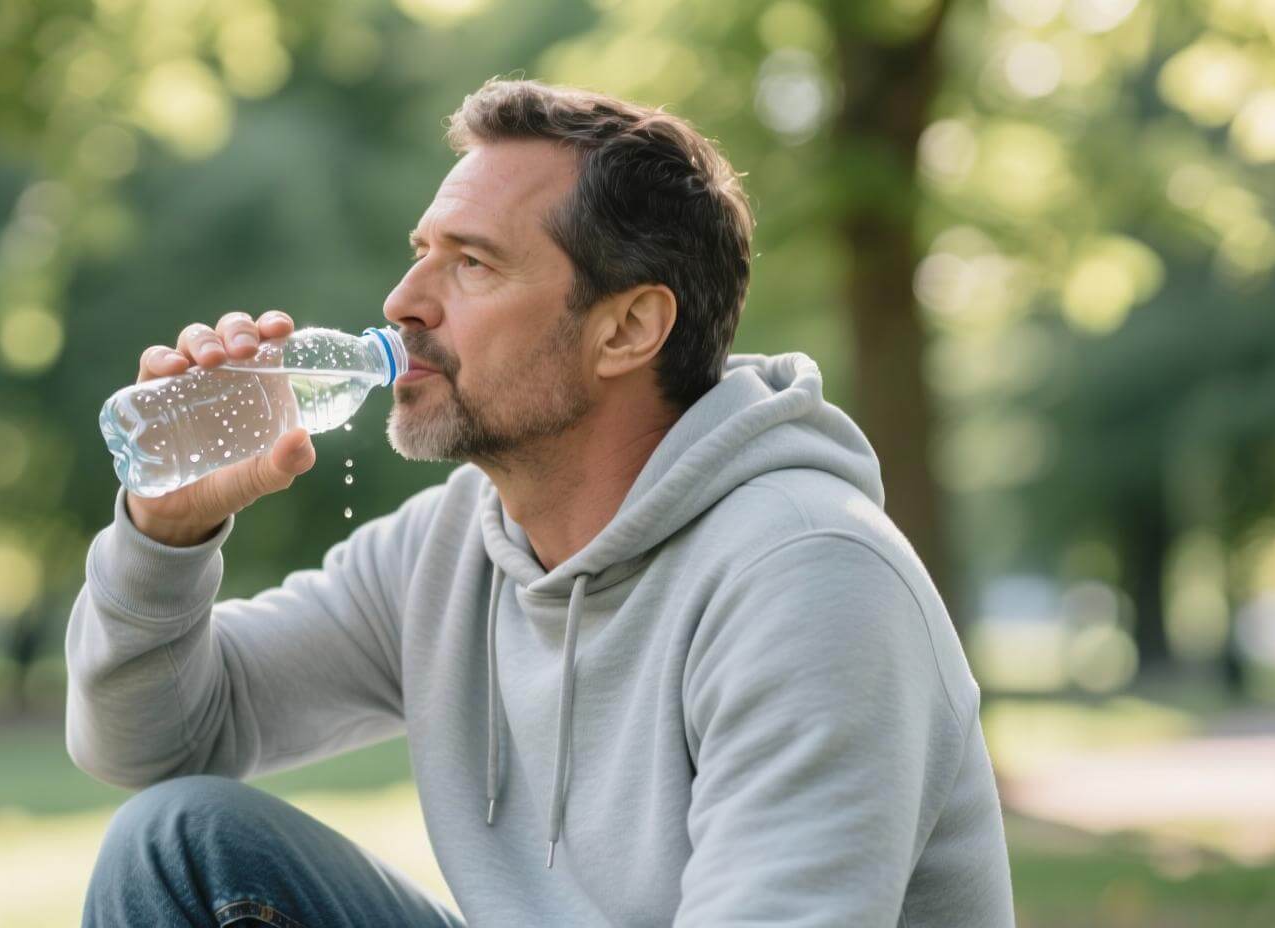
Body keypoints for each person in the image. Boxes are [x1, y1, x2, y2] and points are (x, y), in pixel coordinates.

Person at [67, 78, 1015, 927]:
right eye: (420, 253)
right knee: (180, 839)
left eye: (472, 263)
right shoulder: (451, 548)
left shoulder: (809, 576)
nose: (403, 301)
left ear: (628, 328)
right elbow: (151, 744)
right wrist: (168, 533)